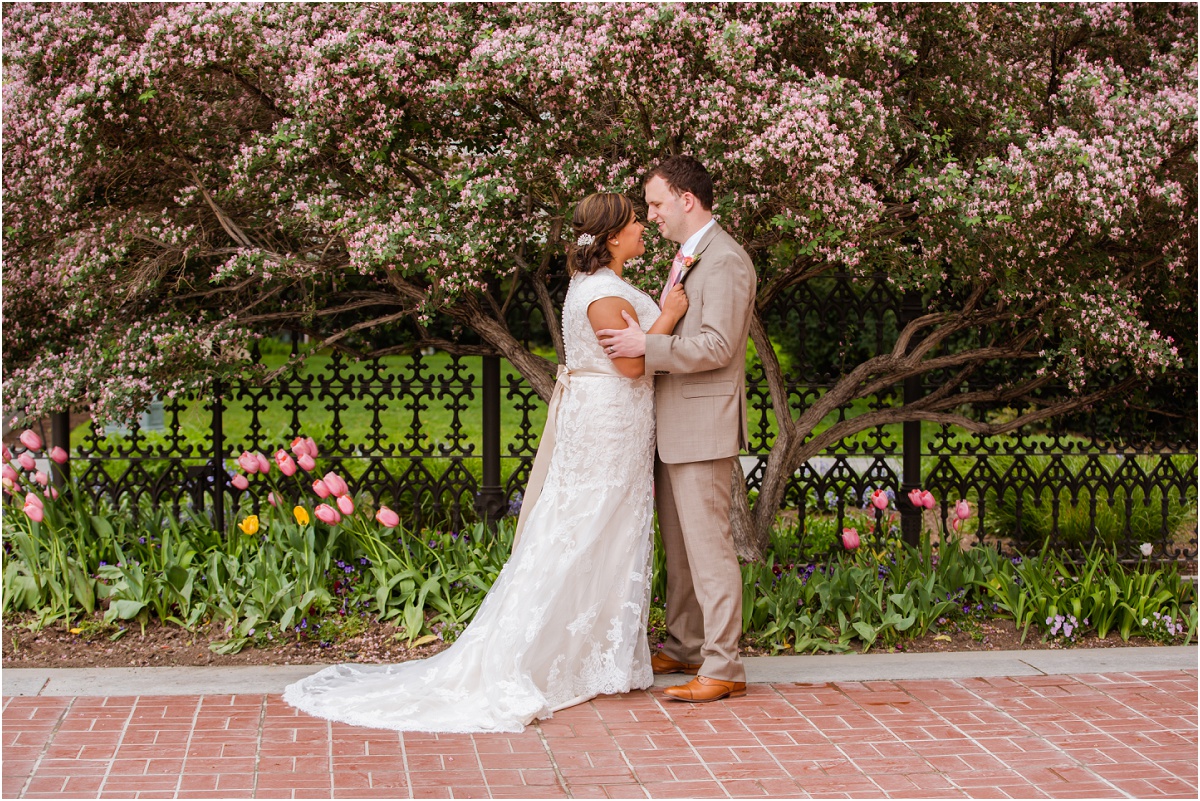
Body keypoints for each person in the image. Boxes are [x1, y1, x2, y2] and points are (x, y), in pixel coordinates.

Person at [283, 193, 689, 733]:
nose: (643, 227)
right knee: (588, 530)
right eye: (636, 222)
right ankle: (545, 655)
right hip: (609, 423)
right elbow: (634, 365)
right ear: (613, 237)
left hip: (609, 421)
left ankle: (596, 655)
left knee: (602, 529)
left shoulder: (592, 286)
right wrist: (670, 315)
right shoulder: (604, 295)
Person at [597, 155, 757, 703]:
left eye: (657, 204)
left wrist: (649, 347)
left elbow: (718, 345)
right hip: (674, 425)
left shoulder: (726, 261)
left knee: (709, 548)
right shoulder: (692, 256)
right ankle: (687, 644)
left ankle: (723, 666)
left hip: (703, 425)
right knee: (682, 547)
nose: (652, 215)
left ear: (687, 200)